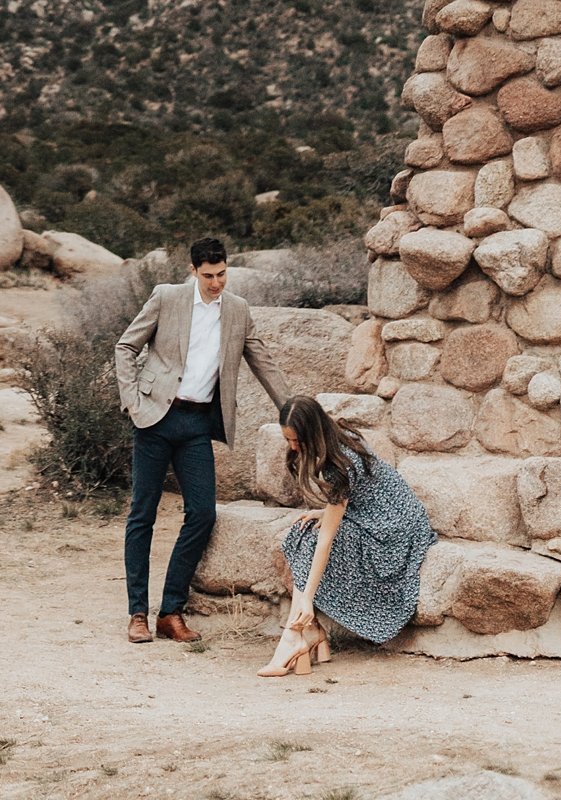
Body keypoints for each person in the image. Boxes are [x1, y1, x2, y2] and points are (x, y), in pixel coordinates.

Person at [114, 237, 287, 644]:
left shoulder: (238, 310)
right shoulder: (167, 297)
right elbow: (126, 345)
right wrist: (133, 402)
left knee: (202, 514)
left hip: (196, 425)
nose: (216, 283)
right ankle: (137, 613)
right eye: (208, 275)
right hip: (154, 418)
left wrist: (293, 409)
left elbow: (263, 360)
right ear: (193, 271)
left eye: (222, 274)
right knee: (143, 515)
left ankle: (170, 612)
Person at [259, 394, 436, 677]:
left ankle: (295, 637)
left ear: (312, 433)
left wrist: (306, 599)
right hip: (373, 515)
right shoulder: (338, 435)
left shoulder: (341, 464)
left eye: (297, 441)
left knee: (314, 541)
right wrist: (326, 512)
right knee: (300, 532)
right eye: (288, 440)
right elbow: (355, 497)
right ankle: (309, 631)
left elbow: (327, 541)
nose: (293, 447)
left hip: (394, 530)